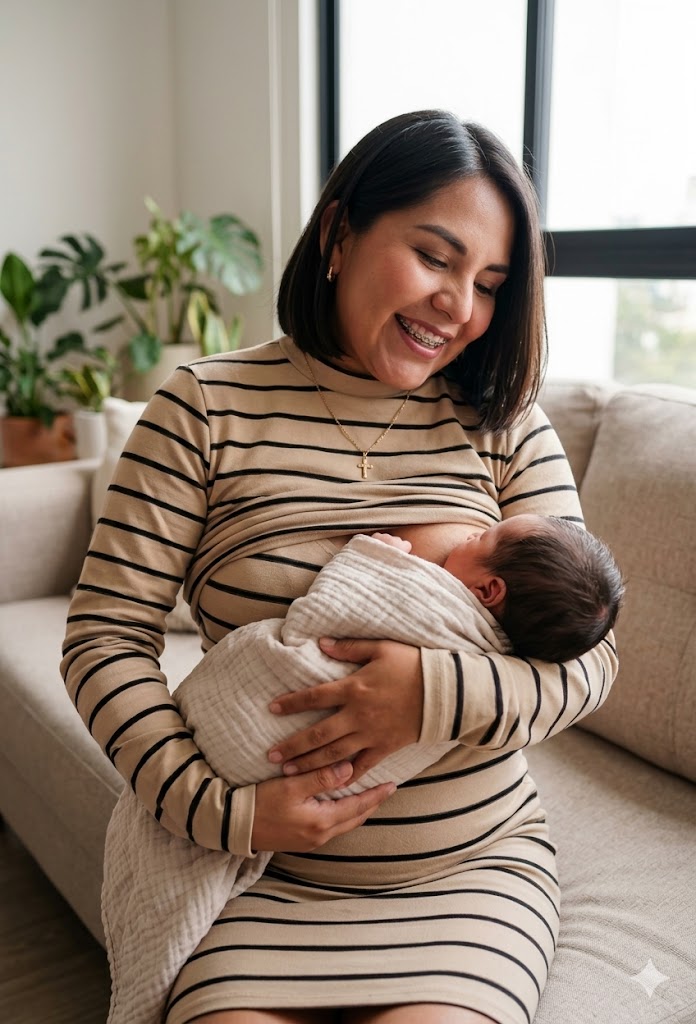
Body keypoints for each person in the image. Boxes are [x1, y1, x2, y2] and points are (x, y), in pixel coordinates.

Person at [61, 109, 619, 1024]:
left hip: (469, 874)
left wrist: (426, 695)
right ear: (338, 233)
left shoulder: (504, 426)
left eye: (488, 282)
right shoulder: (205, 408)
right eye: (436, 258)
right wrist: (223, 814)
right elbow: (103, 642)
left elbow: (591, 663)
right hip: (263, 874)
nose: (460, 306)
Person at [375, 514, 624, 663]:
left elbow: (372, 603)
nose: (472, 535)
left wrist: (380, 558)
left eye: (483, 537)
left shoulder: (443, 619)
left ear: (487, 591)